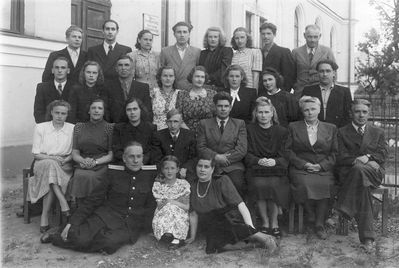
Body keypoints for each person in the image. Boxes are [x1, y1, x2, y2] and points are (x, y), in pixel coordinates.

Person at [46, 142, 157, 254]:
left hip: (128, 225)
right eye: (131, 156)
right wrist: (73, 222)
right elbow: (94, 199)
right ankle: (58, 235)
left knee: (109, 244)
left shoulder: (150, 177)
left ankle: (79, 237)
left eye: (139, 156)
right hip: (106, 216)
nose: (136, 160)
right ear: (124, 158)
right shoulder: (113, 174)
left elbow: (151, 206)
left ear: (143, 157)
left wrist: (147, 228)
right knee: (81, 239)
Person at [186, 156, 277, 254]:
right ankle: (259, 244)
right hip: (210, 223)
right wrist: (192, 236)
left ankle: (265, 239)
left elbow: (240, 204)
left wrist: (250, 229)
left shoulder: (221, 180)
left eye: (206, 167)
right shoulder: (192, 186)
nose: (202, 169)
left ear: (212, 169)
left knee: (228, 228)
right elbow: (193, 214)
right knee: (213, 248)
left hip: (227, 217)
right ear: (196, 168)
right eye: (200, 166)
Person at [335, 99, 387, 252]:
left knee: (359, 171)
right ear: (351, 113)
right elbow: (339, 156)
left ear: (369, 114)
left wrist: (369, 157)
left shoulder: (378, 132)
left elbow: (383, 154)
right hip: (351, 173)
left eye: (364, 112)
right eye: (357, 111)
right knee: (362, 183)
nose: (361, 115)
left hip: (374, 173)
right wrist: (358, 160)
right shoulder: (342, 132)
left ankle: (344, 208)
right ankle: (368, 239)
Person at [285, 96, 338, 239]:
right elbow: (288, 151)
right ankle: (311, 218)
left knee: (327, 184)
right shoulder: (293, 127)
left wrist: (322, 166)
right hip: (301, 168)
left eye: (313, 109)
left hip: (323, 168)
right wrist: (304, 164)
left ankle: (319, 223)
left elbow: (335, 152)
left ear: (319, 109)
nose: (310, 112)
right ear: (302, 111)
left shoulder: (331, 128)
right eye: (306, 110)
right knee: (304, 184)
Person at [245, 97, 289, 238]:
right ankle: (264, 222)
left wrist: (275, 162)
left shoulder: (282, 131)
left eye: (266, 112)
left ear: (272, 114)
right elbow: (247, 153)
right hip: (257, 168)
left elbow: (286, 154)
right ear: (255, 114)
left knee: (274, 185)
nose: (263, 115)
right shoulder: (249, 130)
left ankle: (274, 222)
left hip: (276, 168)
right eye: (260, 112)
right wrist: (259, 160)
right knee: (259, 185)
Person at [28, 100, 74, 235]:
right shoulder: (40, 127)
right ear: (51, 113)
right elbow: (36, 154)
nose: (60, 116)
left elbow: (74, 152)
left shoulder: (72, 128)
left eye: (63, 113)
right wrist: (53, 158)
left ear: (67, 115)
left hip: (65, 164)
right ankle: (62, 201)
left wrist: (66, 159)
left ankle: (44, 217)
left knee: (51, 173)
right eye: (57, 113)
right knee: (50, 165)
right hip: (43, 162)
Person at [197, 91, 247, 196]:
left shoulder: (239, 124)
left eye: (226, 106)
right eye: (220, 106)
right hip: (210, 164)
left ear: (230, 107)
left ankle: (234, 211)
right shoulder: (204, 124)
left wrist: (225, 159)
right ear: (215, 107)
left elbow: (241, 150)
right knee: (208, 185)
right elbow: (201, 147)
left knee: (237, 183)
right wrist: (216, 157)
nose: (223, 109)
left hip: (232, 165)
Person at [67, 99, 113, 204]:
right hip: (83, 163)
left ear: (104, 111)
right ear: (89, 111)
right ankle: (80, 209)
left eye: (100, 108)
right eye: (93, 108)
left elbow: (111, 154)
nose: (96, 110)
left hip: (102, 164)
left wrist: (95, 162)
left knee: (91, 176)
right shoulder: (79, 127)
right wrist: (83, 161)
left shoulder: (110, 128)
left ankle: (94, 208)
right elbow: (75, 152)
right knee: (80, 175)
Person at [152, 156, 191, 249]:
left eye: (172, 168)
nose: (169, 171)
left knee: (172, 207)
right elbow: (160, 206)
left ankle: (178, 237)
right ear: (162, 169)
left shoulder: (183, 184)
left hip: (179, 213)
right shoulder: (158, 185)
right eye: (166, 168)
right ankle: (166, 233)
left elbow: (186, 207)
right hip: (163, 212)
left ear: (177, 169)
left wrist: (170, 201)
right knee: (168, 208)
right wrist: (171, 202)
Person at [302, 60, 352, 128]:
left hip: (337, 130)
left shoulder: (344, 92)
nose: (324, 74)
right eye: (321, 71)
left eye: (328, 71)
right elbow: (302, 112)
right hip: (314, 129)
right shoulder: (308, 91)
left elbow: (348, 115)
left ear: (334, 73)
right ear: (317, 73)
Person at [102, 55, 152, 123]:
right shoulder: (107, 87)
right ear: (116, 69)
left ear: (132, 68)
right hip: (115, 128)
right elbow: (105, 111)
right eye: (120, 65)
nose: (123, 68)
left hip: (137, 128)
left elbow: (147, 112)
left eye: (126, 65)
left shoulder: (143, 88)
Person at [292, 24, 336, 99]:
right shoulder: (296, 52)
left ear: (320, 36)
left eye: (315, 37)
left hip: (321, 92)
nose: (312, 40)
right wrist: (296, 86)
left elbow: (334, 73)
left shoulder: (327, 51)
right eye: (309, 37)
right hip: (300, 92)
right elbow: (291, 73)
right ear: (304, 36)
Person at [112, 98, 160, 165]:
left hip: (145, 165)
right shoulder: (118, 128)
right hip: (125, 165)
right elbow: (117, 151)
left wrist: (142, 161)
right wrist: (129, 161)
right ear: (125, 112)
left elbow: (155, 150)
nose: (132, 112)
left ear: (141, 110)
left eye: (135, 109)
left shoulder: (151, 128)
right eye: (129, 110)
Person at [156, 109, 197, 183]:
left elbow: (193, 157)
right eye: (170, 122)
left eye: (176, 121)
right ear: (166, 122)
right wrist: (167, 170)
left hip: (184, 173)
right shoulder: (158, 136)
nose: (172, 125)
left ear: (181, 123)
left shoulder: (190, 136)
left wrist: (185, 168)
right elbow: (157, 158)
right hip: (165, 173)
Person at [175, 66, 217, 135]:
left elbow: (216, 117)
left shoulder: (212, 94)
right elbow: (179, 118)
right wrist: (190, 134)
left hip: (209, 133)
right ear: (191, 78)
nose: (200, 79)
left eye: (202, 77)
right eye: (197, 76)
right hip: (187, 133)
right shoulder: (182, 95)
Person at [160, 21, 201, 90]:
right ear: (174, 34)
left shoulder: (196, 51)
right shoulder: (165, 51)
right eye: (179, 32)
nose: (182, 35)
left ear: (189, 34)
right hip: (171, 90)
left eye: (185, 32)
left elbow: (199, 72)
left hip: (190, 90)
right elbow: (161, 72)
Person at [34, 56, 74, 123]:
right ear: (52, 70)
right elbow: (38, 113)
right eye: (57, 67)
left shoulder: (75, 88)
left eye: (63, 68)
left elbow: (75, 113)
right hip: (47, 128)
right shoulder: (42, 87)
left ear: (68, 71)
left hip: (69, 129)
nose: (60, 70)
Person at [259, 22, 295, 92]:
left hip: (279, 92)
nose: (265, 36)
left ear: (274, 34)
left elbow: (289, 76)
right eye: (263, 34)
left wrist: (283, 92)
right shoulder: (258, 52)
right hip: (262, 92)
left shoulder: (284, 52)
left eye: (269, 33)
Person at [231, 27, 262, 92]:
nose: (239, 41)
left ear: (247, 38)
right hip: (234, 89)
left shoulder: (255, 52)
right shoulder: (233, 54)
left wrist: (254, 93)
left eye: (242, 37)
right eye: (237, 38)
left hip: (248, 89)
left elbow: (256, 76)